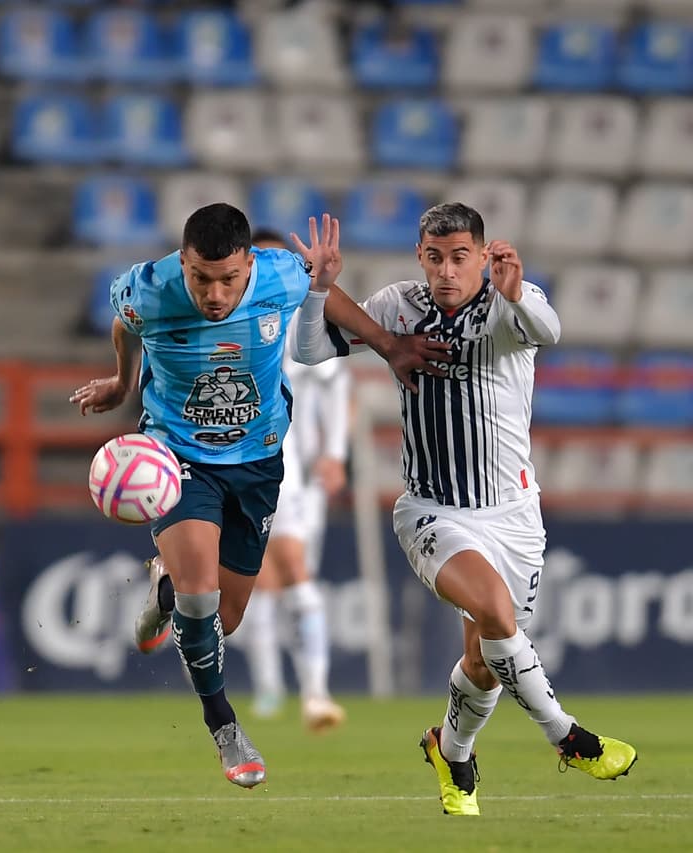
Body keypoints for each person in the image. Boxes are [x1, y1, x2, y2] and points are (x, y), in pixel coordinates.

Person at [70, 203, 448, 788]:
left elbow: (326, 294)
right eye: (201, 277)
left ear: (249, 263)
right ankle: (224, 727)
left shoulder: (280, 273)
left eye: (228, 278)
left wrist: (387, 343)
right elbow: (124, 322)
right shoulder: (149, 288)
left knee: (225, 617)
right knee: (202, 603)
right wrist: (123, 381)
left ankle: (164, 587)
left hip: (259, 460)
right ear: (184, 261)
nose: (215, 294)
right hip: (178, 456)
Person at [290, 203, 638, 816]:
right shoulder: (398, 306)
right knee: (498, 614)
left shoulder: (512, 300)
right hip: (433, 510)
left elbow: (549, 330)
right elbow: (311, 349)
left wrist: (515, 292)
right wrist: (320, 289)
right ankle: (569, 736)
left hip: (513, 514)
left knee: (484, 662)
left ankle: (450, 751)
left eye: (459, 257)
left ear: (482, 255)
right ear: (420, 257)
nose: (446, 271)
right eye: (434, 257)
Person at [236, 227, 350, 732]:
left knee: (293, 571)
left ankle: (316, 693)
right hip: (238, 464)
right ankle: (269, 690)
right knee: (261, 581)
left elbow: (335, 388)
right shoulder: (234, 316)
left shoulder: (306, 317)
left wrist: (333, 454)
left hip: (289, 470)